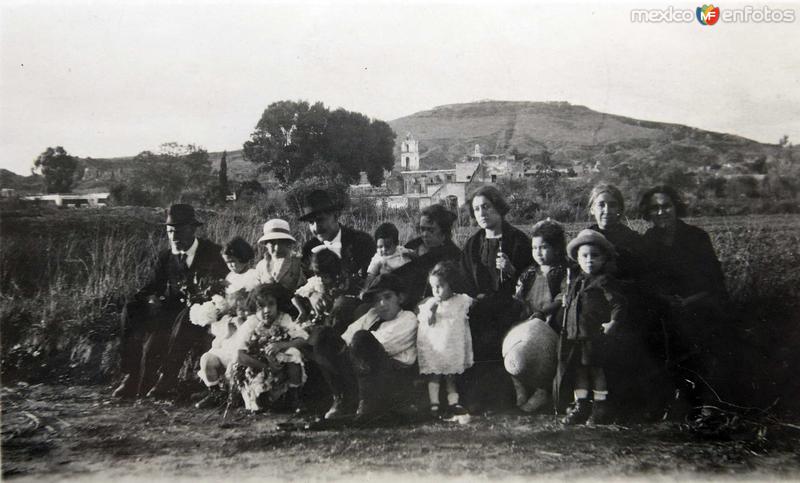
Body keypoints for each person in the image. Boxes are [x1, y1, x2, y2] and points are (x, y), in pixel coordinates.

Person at [112, 204, 228, 400]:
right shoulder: (166, 256)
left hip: (202, 313)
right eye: (170, 231)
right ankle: (132, 375)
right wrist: (148, 298)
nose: (174, 237)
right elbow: (153, 285)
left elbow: (225, 285)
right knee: (132, 308)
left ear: (192, 229)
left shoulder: (213, 253)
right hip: (171, 311)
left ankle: (168, 377)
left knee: (182, 320)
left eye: (179, 231)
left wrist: (208, 300)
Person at [638, 185, 729, 417]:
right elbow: (645, 280)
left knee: (702, 332)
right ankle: (669, 397)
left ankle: (709, 400)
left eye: (666, 206)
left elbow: (714, 281)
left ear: (676, 207)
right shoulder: (648, 240)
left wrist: (688, 301)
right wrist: (665, 299)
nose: (661, 212)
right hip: (664, 305)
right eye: (654, 208)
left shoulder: (697, 237)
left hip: (698, 303)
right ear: (647, 213)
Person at [460, 186, 533, 411]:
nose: (482, 213)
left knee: (496, 333)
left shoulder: (518, 240)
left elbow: (532, 277)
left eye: (487, 207)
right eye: (477, 209)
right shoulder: (473, 244)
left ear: (498, 208)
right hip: (480, 305)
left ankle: (503, 398)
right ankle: (476, 398)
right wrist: (474, 297)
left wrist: (512, 271)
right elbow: (464, 278)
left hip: (510, 305)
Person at [309, 273, 418, 422]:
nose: (382, 304)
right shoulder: (372, 316)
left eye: (387, 297)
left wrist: (351, 347)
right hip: (361, 370)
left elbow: (382, 345)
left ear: (400, 298)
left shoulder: (408, 319)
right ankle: (343, 399)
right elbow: (346, 337)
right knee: (325, 337)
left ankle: (369, 404)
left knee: (361, 338)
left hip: (392, 377)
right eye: (377, 300)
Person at [555, 230, 626, 425]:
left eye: (595, 256)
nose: (589, 260)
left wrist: (613, 322)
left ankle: (600, 405)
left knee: (596, 368)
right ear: (577, 258)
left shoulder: (604, 281)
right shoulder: (576, 281)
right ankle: (581, 404)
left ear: (604, 258)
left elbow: (617, 303)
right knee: (578, 369)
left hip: (593, 336)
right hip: (574, 335)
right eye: (584, 256)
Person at [502, 219, 567, 413]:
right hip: (530, 318)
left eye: (544, 247)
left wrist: (543, 312)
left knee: (549, 353)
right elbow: (520, 296)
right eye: (534, 247)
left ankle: (542, 391)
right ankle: (520, 387)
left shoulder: (562, 271)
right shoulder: (530, 272)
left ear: (556, 249)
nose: (538, 252)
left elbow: (562, 297)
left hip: (550, 319)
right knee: (511, 341)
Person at [230, 283, 310, 412]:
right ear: (255, 309)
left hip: (280, 367)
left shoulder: (283, 318)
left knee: (293, 352)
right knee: (260, 405)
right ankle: (266, 398)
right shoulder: (251, 323)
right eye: (261, 306)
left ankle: (294, 397)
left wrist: (282, 345)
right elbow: (238, 355)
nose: (267, 310)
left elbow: (302, 339)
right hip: (257, 367)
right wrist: (266, 367)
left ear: (277, 304)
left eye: (271, 304)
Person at [416, 261, 473, 418]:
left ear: (451, 284)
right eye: (433, 287)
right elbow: (429, 322)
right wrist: (432, 312)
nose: (436, 290)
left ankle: (453, 402)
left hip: (452, 346)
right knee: (434, 374)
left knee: (450, 376)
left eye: (440, 286)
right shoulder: (431, 303)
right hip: (436, 346)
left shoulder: (460, 301)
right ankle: (434, 403)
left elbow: (472, 303)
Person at [298, 189, 375, 297]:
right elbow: (304, 283)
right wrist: (313, 297)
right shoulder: (309, 249)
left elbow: (372, 278)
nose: (316, 228)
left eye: (320, 220)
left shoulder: (362, 242)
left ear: (336, 215)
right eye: (311, 222)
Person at [393, 204, 462, 306]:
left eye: (431, 230)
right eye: (422, 229)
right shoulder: (413, 245)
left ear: (443, 231)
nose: (424, 234)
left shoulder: (452, 255)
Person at [255, 219, 306, 292]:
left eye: (281, 242)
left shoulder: (297, 263)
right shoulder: (261, 266)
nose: (277, 248)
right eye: (272, 243)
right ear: (266, 244)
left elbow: (304, 289)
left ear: (288, 243)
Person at [365, 222, 414, 288]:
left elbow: (415, 255)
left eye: (387, 246)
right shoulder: (378, 258)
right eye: (380, 246)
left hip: (407, 279)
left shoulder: (401, 250)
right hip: (390, 285)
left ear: (397, 244)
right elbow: (371, 275)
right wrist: (365, 289)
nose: (384, 249)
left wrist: (411, 255)